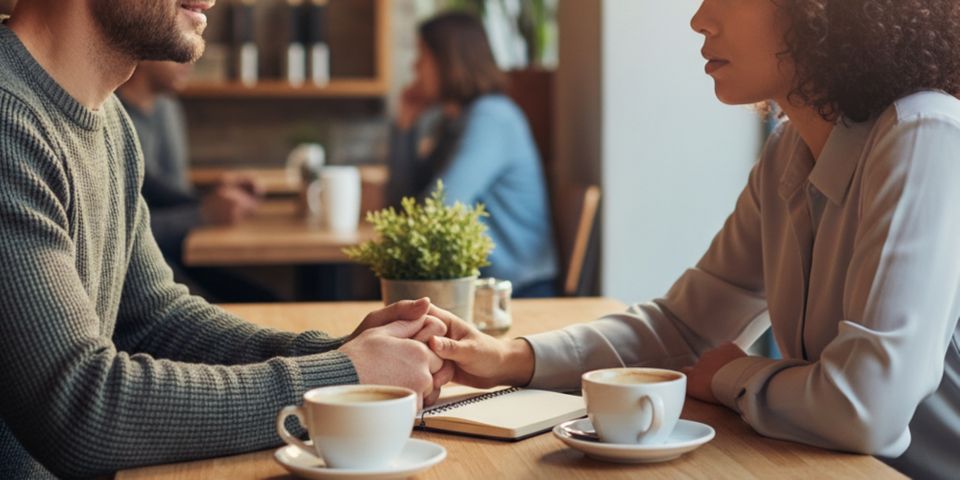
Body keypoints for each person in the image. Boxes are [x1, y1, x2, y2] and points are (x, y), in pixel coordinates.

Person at [424, 1, 960, 478]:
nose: (699, 18)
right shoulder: (787, 153)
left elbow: (868, 408)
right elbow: (683, 326)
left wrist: (731, 374)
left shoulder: (926, 134)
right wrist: (508, 356)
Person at [0, 1, 453, 478]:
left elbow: (156, 321)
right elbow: (80, 410)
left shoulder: (109, 120)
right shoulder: (10, 121)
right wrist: (343, 376)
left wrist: (346, 352)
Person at [386, 11, 558, 297]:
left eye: (422, 56)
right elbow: (403, 203)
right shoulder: (453, 121)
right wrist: (405, 130)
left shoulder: (492, 118)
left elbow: (435, 209)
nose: (414, 67)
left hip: (517, 290)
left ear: (447, 61)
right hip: (474, 288)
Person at [117, 60, 273, 302]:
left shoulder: (167, 107)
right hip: (139, 275)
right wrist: (203, 214)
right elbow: (117, 232)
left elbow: (163, 194)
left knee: (268, 300)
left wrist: (216, 194)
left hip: (178, 258)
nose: (190, 60)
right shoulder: (110, 119)